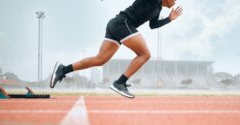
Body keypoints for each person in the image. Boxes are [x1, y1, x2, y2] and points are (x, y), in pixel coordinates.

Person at [50, 0, 183, 98]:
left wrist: (169, 19)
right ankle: (120, 83)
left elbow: (153, 25)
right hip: (122, 23)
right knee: (145, 54)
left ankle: (63, 69)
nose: (176, 0)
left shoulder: (158, 8)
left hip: (117, 24)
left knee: (100, 59)